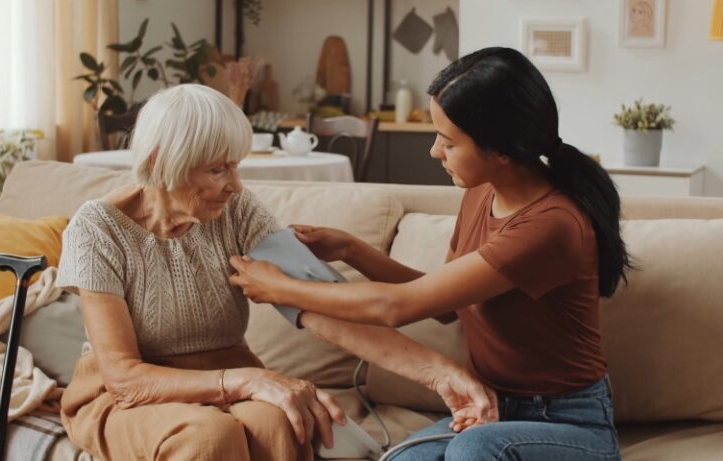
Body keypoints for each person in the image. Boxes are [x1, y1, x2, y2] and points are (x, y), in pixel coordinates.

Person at [229, 47, 629, 460]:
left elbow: (397, 307)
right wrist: (351, 250)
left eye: (448, 141)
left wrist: (280, 288)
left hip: (567, 424)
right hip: (492, 409)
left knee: (473, 450)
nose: (435, 152)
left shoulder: (551, 225)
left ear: (502, 151)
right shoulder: (480, 192)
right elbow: (442, 304)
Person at [56, 84, 347, 461]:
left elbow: (317, 299)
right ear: (162, 163)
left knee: (280, 423)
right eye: (218, 169)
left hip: (226, 371)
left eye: (236, 165)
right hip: (129, 394)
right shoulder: (97, 228)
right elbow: (124, 378)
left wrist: (431, 370)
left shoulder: (237, 209)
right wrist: (243, 379)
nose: (236, 185)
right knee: (208, 437)